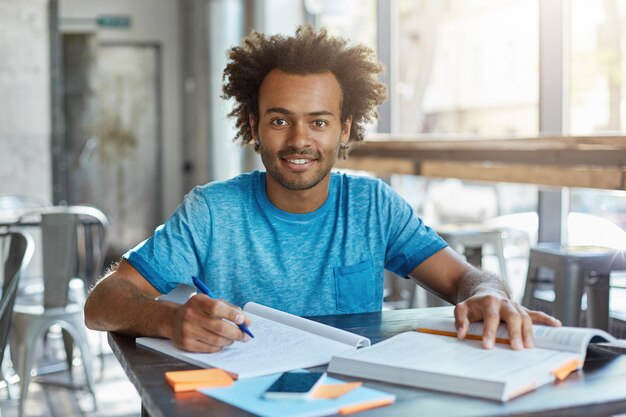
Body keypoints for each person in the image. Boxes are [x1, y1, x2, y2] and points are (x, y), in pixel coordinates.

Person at [84, 25, 560, 354]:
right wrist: (169, 319)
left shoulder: (373, 206)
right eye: (279, 120)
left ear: (344, 128)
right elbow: (103, 301)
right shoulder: (212, 211)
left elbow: (465, 279)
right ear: (253, 125)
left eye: (318, 121)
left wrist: (489, 294)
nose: (298, 140)